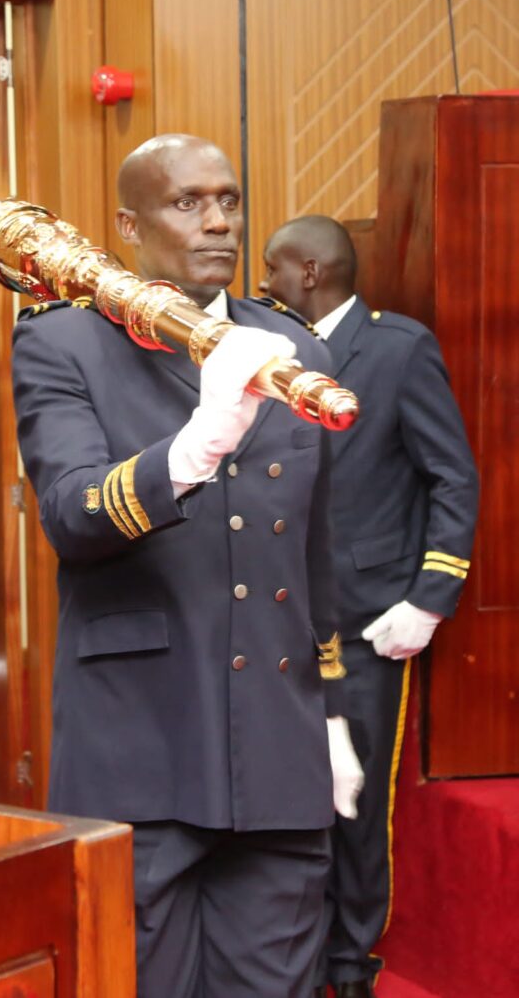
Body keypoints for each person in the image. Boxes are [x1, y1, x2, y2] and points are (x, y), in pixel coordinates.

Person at [11, 133, 353, 998]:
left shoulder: (294, 350)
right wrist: (194, 449)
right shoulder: (66, 343)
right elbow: (73, 516)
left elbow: (315, 548)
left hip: (278, 739)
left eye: (229, 200)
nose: (218, 222)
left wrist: (332, 712)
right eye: (188, 202)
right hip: (141, 737)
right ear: (129, 225)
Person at [260, 215, 479, 998]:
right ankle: (293, 950)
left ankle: (351, 961)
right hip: (279, 613)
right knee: (286, 792)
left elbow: (452, 476)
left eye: (273, 269)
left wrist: (429, 597)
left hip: (364, 621)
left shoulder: (398, 349)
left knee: (352, 800)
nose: (262, 284)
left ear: (311, 272)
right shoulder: (269, 350)